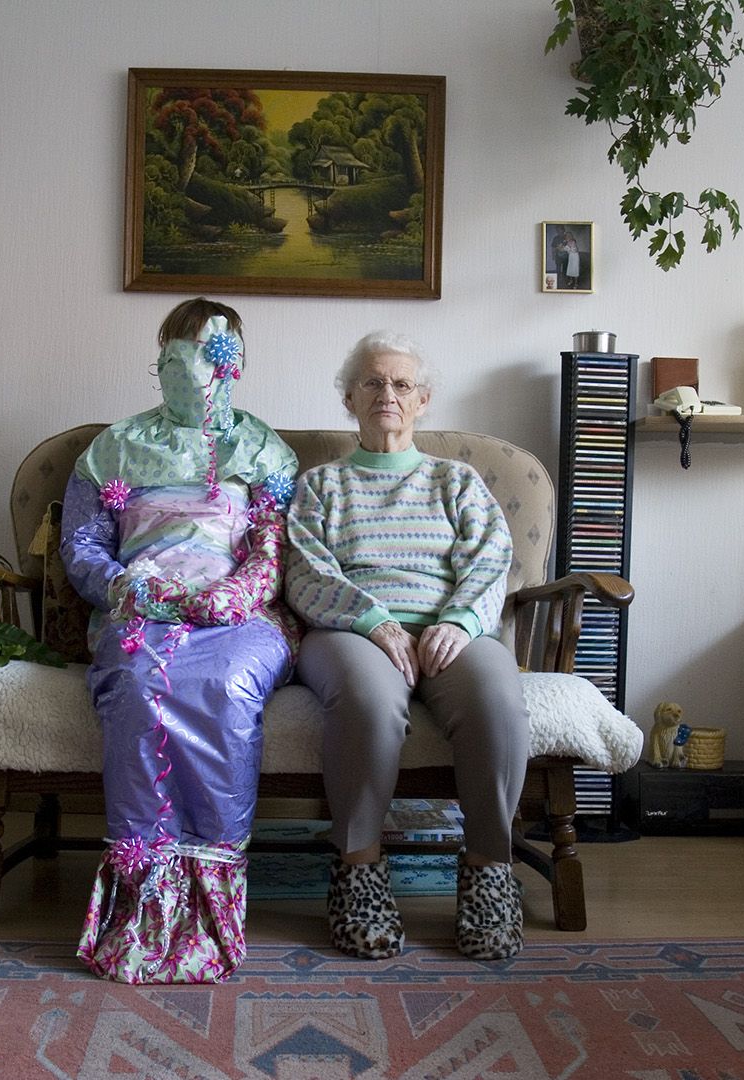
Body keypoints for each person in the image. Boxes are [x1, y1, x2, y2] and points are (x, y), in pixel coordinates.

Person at [63, 297, 299, 984]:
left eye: (213, 352)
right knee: (139, 685)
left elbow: (274, 545)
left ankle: (211, 913)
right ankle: (143, 916)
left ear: (237, 362)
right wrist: (128, 588)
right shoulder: (111, 448)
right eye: (180, 353)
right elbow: (82, 545)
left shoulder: (262, 450)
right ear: (159, 358)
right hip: (140, 608)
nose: (196, 370)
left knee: (223, 685)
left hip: (236, 618)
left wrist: (235, 594)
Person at [285, 330, 530, 961]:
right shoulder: (320, 487)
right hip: (349, 631)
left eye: (401, 384)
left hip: (449, 628)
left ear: (422, 401)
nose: (386, 394)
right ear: (348, 398)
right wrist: (374, 622)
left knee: (497, 698)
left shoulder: (456, 481)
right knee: (368, 702)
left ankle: (487, 873)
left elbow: (491, 560)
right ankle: (359, 869)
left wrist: (458, 621)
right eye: (372, 382)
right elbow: (306, 573)